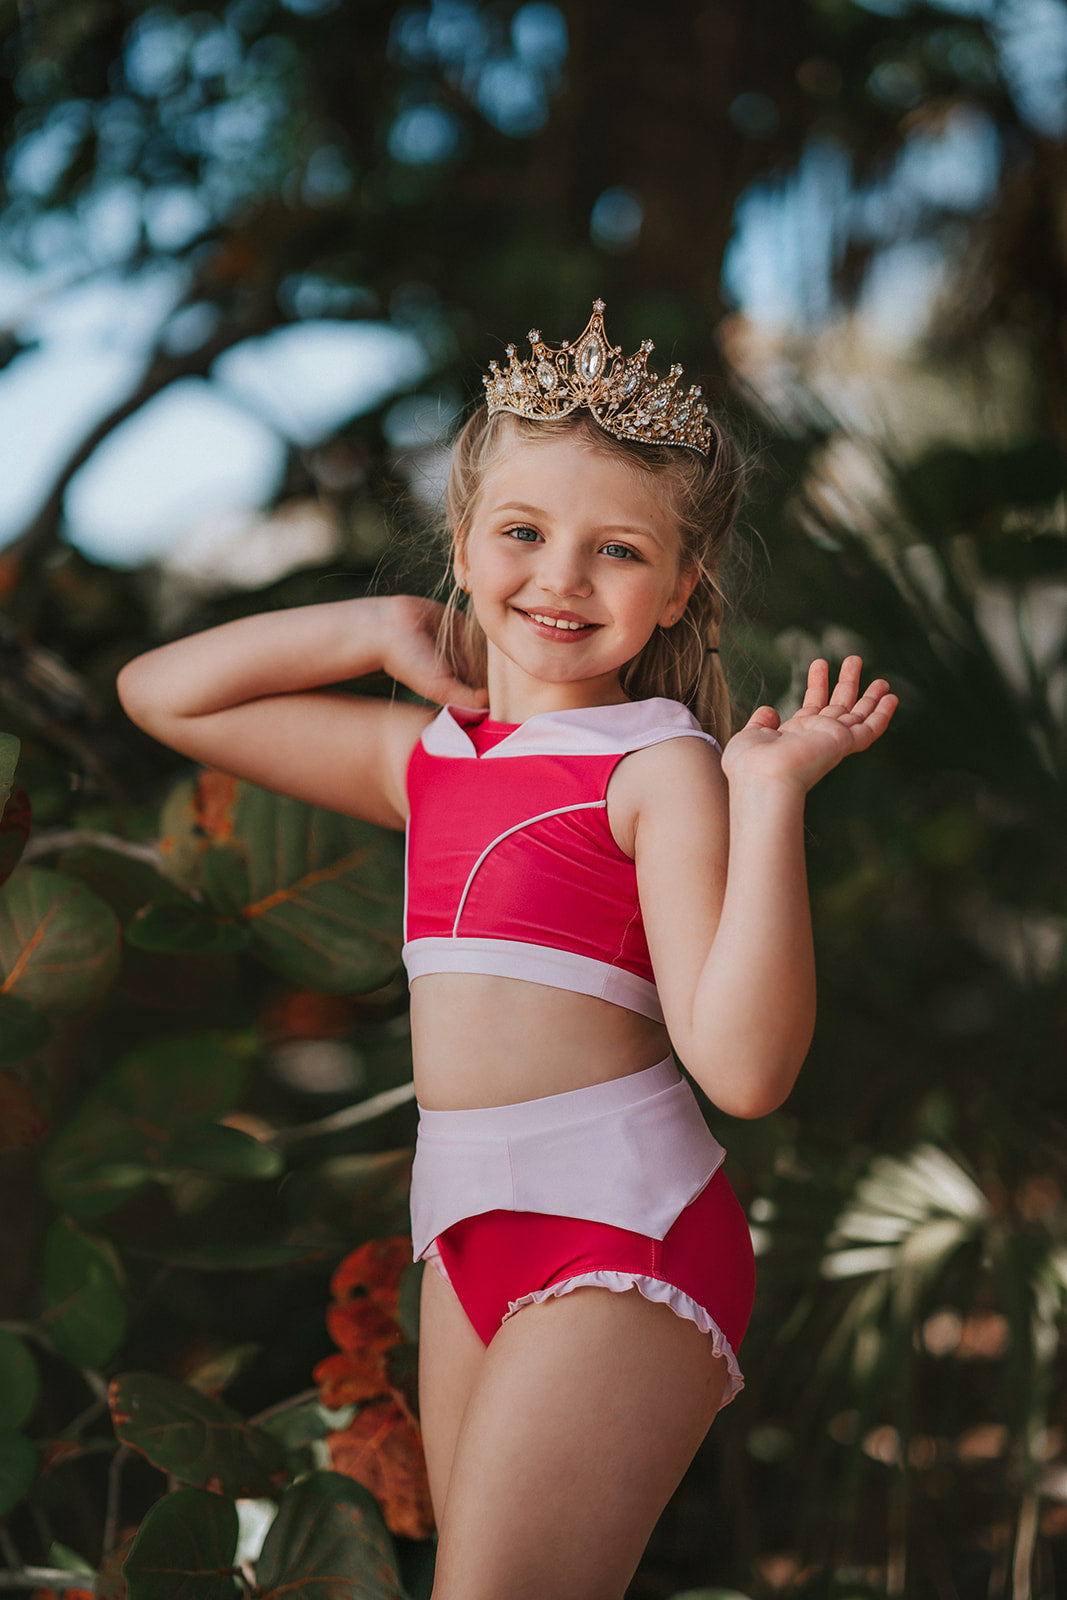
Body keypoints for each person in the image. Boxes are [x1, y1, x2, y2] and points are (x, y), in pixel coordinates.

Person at [117, 301, 897, 1600]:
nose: (562, 577)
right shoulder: (423, 757)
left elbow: (746, 1073)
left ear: (681, 588)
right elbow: (163, 694)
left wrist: (768, 800)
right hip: (466, 1233)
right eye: (523, 534)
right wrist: (374, 629)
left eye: (618, 550)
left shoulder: (660, 766)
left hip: (622, 1227)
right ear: (464, 547)